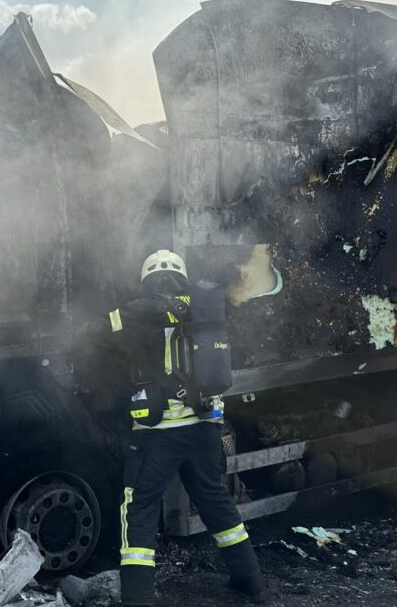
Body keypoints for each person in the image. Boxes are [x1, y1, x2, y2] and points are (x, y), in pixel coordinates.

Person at [86, 249, 265, 605]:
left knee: (138, 509)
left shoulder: (140, 309)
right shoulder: (207, 307)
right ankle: (251, 582)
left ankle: (137, 598)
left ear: (147, 276)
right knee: (217, 502)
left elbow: (95, 334)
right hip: (205, 429)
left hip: (157, 435)